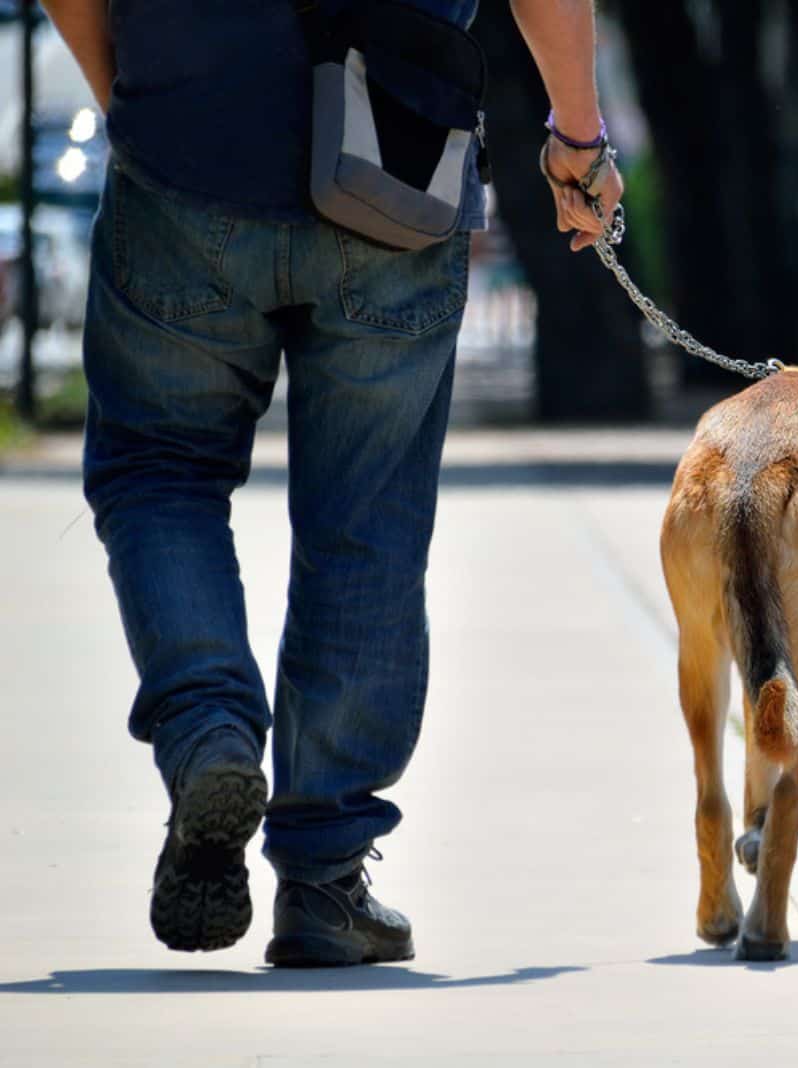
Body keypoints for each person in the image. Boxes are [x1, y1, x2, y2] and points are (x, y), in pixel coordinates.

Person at [38, 0, 623, 966]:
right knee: (369, 519)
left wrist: (129, 101)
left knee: (158, 472)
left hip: (186, 149)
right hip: (393, 152)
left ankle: (209, 726)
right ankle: (323, 877)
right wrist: (578, 140)